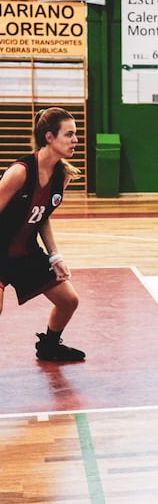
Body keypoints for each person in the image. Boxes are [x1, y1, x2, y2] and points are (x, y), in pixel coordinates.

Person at [0, 107, 85, 362]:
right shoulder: (21, 172)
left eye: (76, 134)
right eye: (69, 134)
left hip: (26, 252)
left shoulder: (63, 175)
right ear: (49, 137)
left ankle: (49, 346)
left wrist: (54, 256)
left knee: (69, 300)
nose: (75, 140)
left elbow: (42, 216)